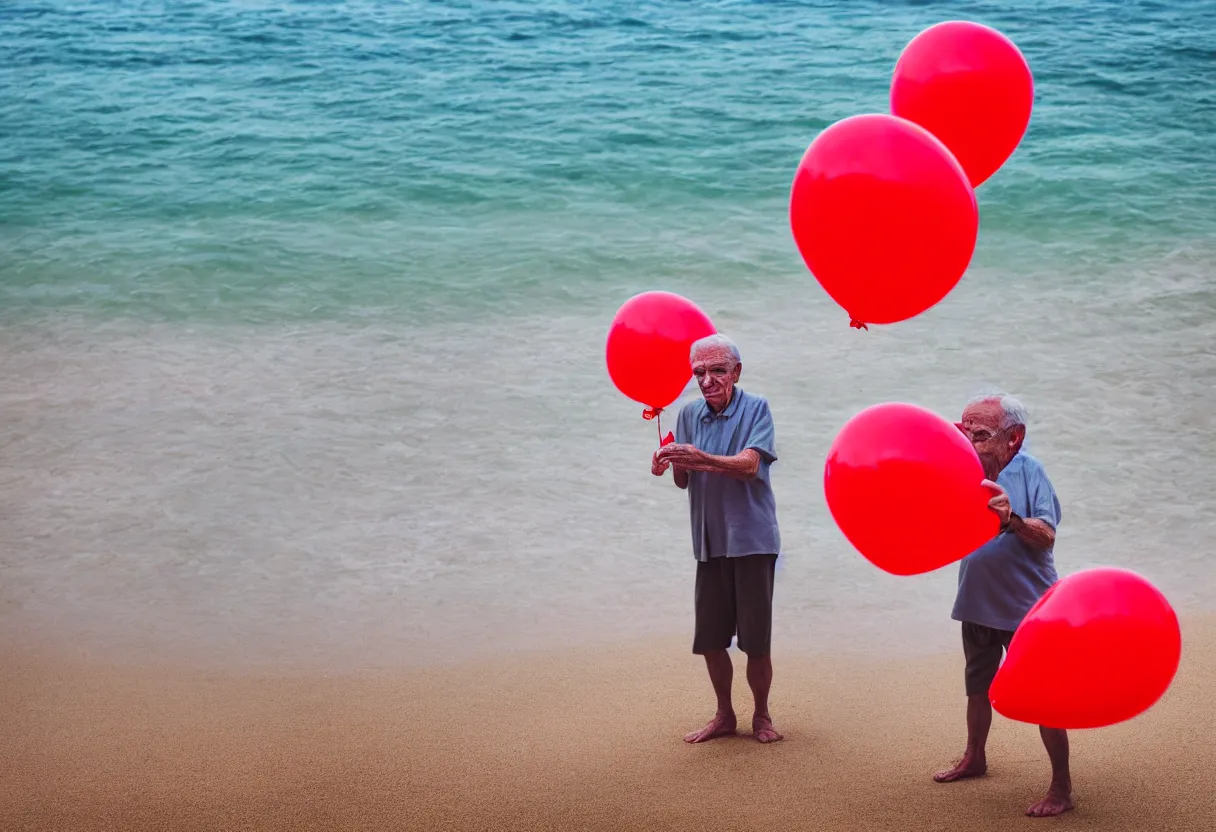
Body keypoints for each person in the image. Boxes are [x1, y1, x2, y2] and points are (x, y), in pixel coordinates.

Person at [934, 393, 1072, 818]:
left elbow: (1047, 535)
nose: (970, 441)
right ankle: (975, 757)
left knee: (1044, 697)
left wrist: (1011, 519)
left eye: (981, 434)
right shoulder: (959, 470)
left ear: (1014, 438)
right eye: (964, 430)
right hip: (976, 602)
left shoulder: (1031, 472)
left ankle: (1062, 787)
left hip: (1027, 608)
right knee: (977, 686)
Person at [651, 333, 783, 744]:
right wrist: (667, 461)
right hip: (708, 540)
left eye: (717, 371)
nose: (707, 380)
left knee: (755, 641)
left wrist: (701, 459)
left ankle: (762, 716)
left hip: (752, 540)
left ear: (736, 372)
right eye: (699, 373)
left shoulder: (757, 407)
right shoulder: (688, 414)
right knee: (709, 639)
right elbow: (683, 480)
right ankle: (724, 715)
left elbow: (749, 465)